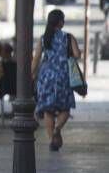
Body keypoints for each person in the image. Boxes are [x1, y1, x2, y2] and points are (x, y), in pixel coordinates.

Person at [32, 9, 80, 151]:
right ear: (60, 22)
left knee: (48, 110)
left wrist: (31, 74)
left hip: (46, 77)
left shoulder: (43, 38)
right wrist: (70, 55)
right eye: (63, 19)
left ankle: (52, 139)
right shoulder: (68, 37)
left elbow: (36, 59)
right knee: (65, 107)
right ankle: (57, 128)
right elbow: (77, 54)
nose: (64, 21)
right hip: (64, 76)